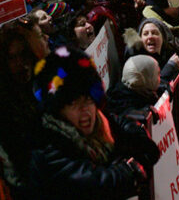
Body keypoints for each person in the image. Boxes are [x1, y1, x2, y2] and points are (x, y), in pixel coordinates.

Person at [29, 47, 160, 200]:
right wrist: (130, 171)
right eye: (73, 103)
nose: (84, 110)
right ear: (58, 110)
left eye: (88, 100)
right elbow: (91, 183)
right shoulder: (47, 145)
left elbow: (121, 124)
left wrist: (142, 144)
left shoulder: (101, 120)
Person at [0, 20, 49, 195]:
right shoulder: (2, 103)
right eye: (12, 58)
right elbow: (20, 156)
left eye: (23, 54)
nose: (20, 63)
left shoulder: (43, 83)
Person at [106, 55, 162, 120]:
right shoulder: (125, 105)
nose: (160, 76)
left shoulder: (127, 91)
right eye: (157, 73)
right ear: (144, 79)